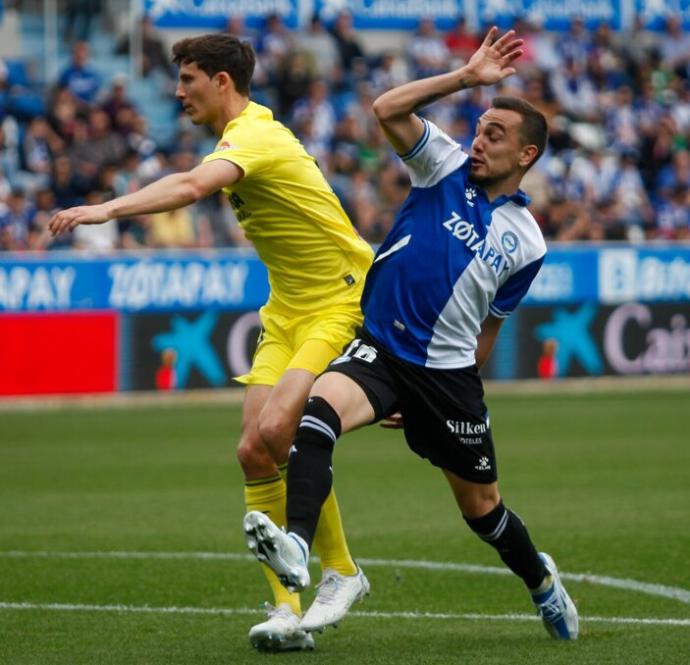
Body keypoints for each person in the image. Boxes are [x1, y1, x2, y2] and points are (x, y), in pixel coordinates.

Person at [243, 27, 579, 642]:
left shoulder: (528, 242)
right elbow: (386, 109)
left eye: (496, 136)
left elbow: (490, 327)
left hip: (447, 380)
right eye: (479, 129)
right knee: (313, 420)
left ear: (527, 154)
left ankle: (540, 582)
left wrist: (458, 392)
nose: (480, 142)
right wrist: (465, 78)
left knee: (483, 511)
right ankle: (296, 547)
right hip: (381, 350)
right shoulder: (442, 163)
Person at [48, 33, 374, 653]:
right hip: (286, 313)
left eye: (189, 79)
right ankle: (285, 610)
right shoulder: (237, 139)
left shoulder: (256, 135)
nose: (178, 92)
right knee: (254, 450)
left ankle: (342, 571)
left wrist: (104, 210)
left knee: (282, 430)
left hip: (339, 299)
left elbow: (191, 188)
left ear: (222, 82)